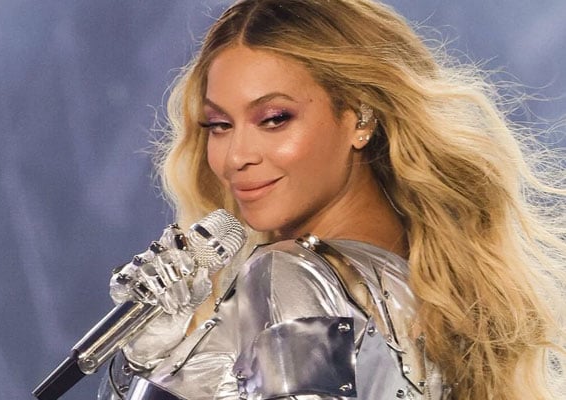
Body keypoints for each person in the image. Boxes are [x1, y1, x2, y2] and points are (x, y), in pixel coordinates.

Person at [99, 0, 566, 399]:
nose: (236, 156)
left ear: (360, 115)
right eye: (219, 125)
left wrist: (153, 366)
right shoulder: (427, 289)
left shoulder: (287, 272)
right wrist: (157, 354)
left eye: (274, 118)